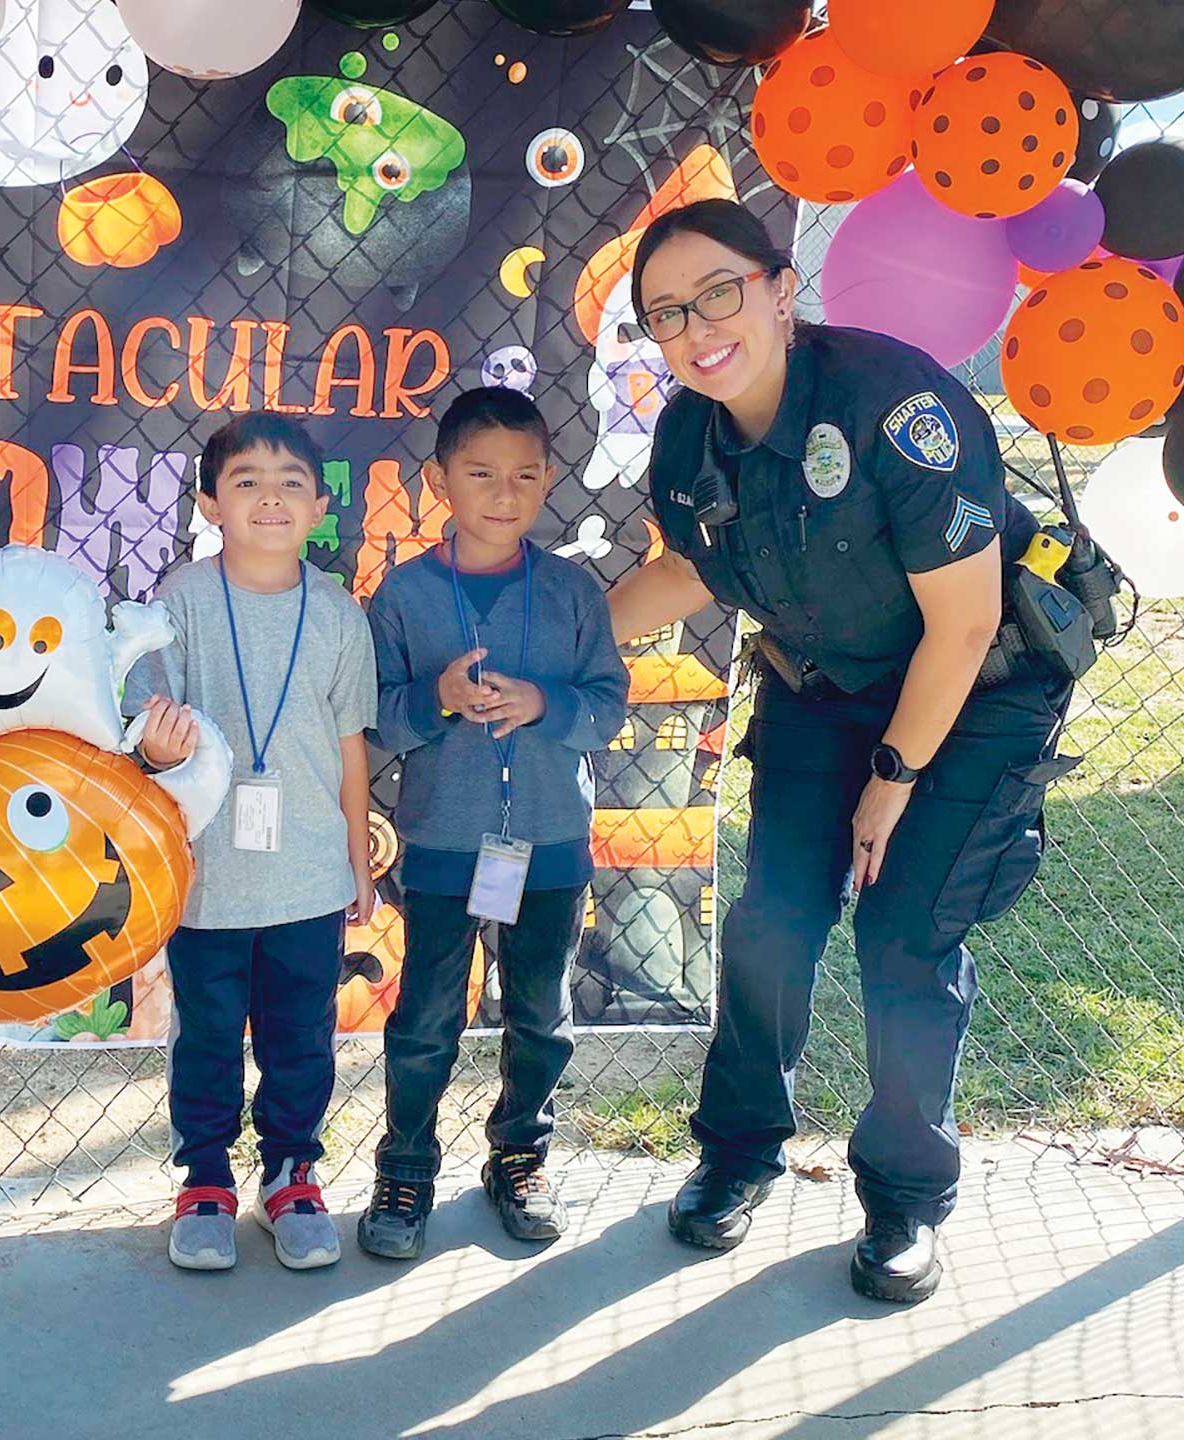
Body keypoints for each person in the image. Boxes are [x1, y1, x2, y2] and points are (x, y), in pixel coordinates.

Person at [609, 199, 1077, 1304]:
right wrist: (568, 624)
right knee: (774, 921)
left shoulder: (893, 403)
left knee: (906, 938)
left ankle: (906, 1199)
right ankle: (737, 1152)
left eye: (718, 290)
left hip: (973, 691)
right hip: (823, 685)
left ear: (779, 288)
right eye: (666, 312)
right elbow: (694, 573)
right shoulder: (688, 436)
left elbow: (961, 627)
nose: (696, 326)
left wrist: (895, 778)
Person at [357, 387, 630, 1261]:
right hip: (442, 847)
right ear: (441, 480)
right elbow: (374, 723)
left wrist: (546, 703)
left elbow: (608, 708)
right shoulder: (404, 595)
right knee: (427, 1018)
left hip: (548, 849)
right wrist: (436, 700)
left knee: (540, 1015)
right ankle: (405, 1168)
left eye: (524, 475)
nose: (504, 493)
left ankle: (520, 1157)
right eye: (480, 473)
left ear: (548, 479)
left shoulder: (569, 593)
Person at [124, 413, 378, 1273]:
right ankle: (202, 1180)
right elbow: (146, 729)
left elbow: (350, 744)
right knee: (204, 1035)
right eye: (246, 480)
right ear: (209, 503)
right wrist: (156, 747)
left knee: (301, 1035)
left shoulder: (340, 614)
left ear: (319, 507)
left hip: (307, 876)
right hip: (205, 879)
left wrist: (356, 856)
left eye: (290, 482)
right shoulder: (180, 602)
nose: (270, 496)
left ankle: (291, 1174)